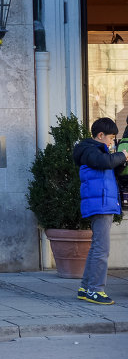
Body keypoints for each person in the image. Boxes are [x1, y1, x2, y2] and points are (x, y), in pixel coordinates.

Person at [72, 117, 126, 304]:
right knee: (102, 250)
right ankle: (95, 290)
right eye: (111, 138)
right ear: (100, 135)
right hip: (100, 205)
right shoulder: (90, 150)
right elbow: (103, 162)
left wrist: (120, 163)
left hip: (102, 204)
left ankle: (86, 288)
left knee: (97, 248)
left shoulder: (97, 152)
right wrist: (123, 156)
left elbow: (108, 169)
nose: (112, 142)